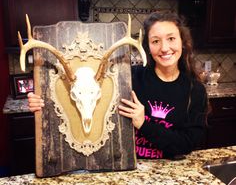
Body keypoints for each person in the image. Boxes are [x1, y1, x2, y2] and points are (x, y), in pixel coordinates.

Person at [28, 11, 208, 160]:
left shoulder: (195, 91)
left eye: (171, 39)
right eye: (155, 41)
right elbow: (82, 93)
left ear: (182, 42)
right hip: (126, 167)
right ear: (147, 46)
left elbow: (186, 144)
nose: (164, 48)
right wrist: (45, 101)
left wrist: (143, 123)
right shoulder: (129, 76)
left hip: (169, 172)